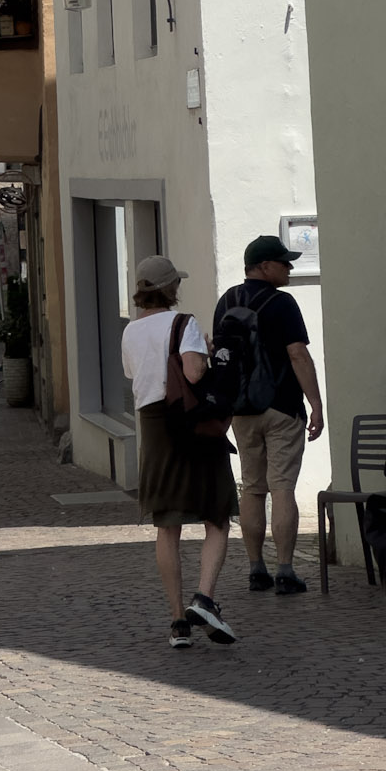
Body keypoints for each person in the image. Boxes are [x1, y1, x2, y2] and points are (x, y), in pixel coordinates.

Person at [121, 254, 239, 650]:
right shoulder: (183, 323)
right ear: (171, 288)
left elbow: (135, 375)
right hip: (192, 427)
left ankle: (177, 622)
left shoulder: (130, 332)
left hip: (154, 428)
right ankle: (204, 598)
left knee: (167, 524)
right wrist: (204, 352)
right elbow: (192, 373)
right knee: (216, 514)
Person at [214, 233, 325, 596]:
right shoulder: (283, 303)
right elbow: (298, 355)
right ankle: (285, 570)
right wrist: (316, 404)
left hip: (241, 411)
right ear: (264, 266)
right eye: (283, 262)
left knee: (252, 488)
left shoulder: (227, 301)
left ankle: (255, 568)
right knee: (282, 488)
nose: (289, 268)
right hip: (281, 408)